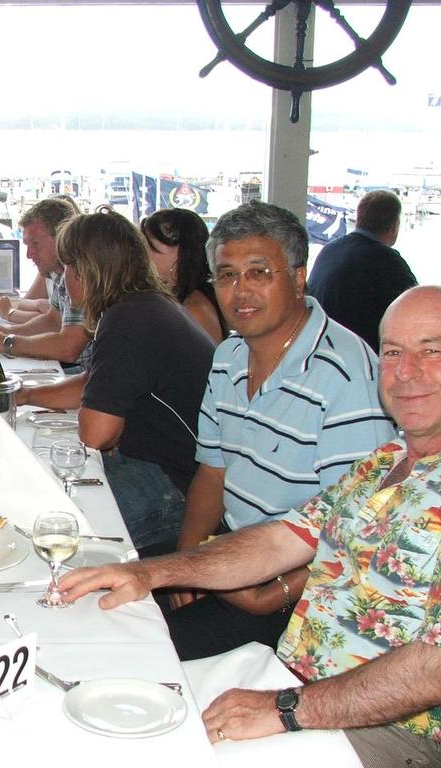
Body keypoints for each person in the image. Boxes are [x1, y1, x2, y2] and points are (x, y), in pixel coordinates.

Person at [60, 285, 441, 766]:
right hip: (295, 682)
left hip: (391, 733)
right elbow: (279, 541)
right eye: (393, 352)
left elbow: (433, 669)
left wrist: (286, 710)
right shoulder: (385, 461)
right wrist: (151, 573)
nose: (407, 373)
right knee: (110, 692)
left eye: (432, 351)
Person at [166, 200, 396, 660]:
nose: (240, 291)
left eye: (259, 272)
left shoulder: (346, 377)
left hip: (301, 585)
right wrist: (188, 566)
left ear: (296, 277)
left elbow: (355, 528)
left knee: (150, 654)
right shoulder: (228, 357)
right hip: (233, 552)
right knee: (110, 597)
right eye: (227, 275)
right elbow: (213, 473)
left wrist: (275, 594)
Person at [17, 209, 215, 550]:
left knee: (45, 527)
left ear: (87, 269)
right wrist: (22, 396)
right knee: (38, 477)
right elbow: (94, 386)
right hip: (170, 468)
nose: (64, 279)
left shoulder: (128, 321)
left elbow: (95, 433)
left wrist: (104, 423)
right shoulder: (143, 305)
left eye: (67, 268)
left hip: (176, 486)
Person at [308, 189, 417, 350]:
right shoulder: (387, 262)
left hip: (317, 348)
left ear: (359, 218)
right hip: (358, 359)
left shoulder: (329, 250)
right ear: (394, 225)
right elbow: (417, 312)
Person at [0, 198, 93, 372]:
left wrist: (6, 342)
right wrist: (2, 331)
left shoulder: (82, 272)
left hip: (85, 375)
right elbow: (52, 321)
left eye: (35, 244)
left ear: (62, 237)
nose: (29, 254)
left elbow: (68, 348)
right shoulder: (61, 273)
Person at [140, 207, 228, 342]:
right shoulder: (177, 302)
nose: (141, 253)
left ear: (179, 253)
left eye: (148, 245)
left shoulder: (195, 311)